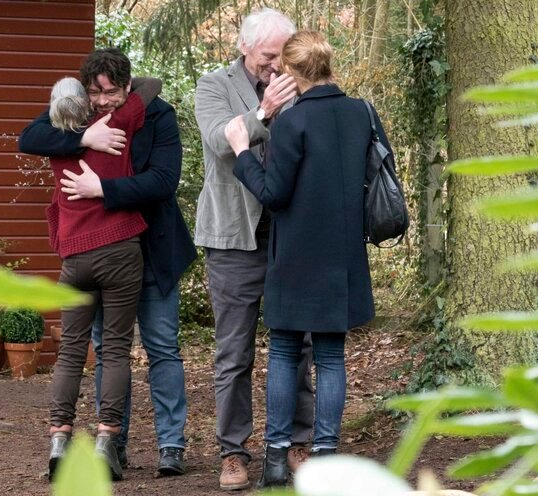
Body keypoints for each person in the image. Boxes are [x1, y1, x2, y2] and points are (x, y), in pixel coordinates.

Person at [18, 50, 196, 479]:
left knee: (162, 349)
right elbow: (30, 137)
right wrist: (85, 139)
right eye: (94, 92)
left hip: (150, 247)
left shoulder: (157, 117)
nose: (102, 102)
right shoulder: (76, 119)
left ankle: (170, 445)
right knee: (108, 350)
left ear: (127, 87)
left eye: (111, 92)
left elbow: (163, 180)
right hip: (111, 252)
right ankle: (111, 443)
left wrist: (103, 188)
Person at [224, 30, 386, 487]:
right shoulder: (361, 114)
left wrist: (241, 152)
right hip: (344, 253)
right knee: (332, 357)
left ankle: (276, 460)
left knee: (283, 351)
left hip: (295, 254)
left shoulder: (292, 123)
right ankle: (327, 459)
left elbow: (274, 194)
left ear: (292, 73)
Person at [193, 7, 314, 491]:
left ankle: (298, 444)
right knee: (234, 351)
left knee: (300, 344)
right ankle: (233, 452)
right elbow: (220, 142)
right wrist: (265, 112)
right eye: (269, 56)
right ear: (245, 47)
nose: (276, 65)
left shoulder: (298, 80)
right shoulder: (213, 86)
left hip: (290, 233)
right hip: (233, 237)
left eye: (283, 55)